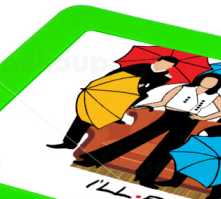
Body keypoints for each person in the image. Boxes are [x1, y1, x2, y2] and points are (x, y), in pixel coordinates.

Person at [74, 72, 221, 189]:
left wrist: (202, 117)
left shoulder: (214, 96)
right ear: (201, 78)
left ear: (216, 85)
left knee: (166, 150)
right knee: (137, 138)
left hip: (188, 121)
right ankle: (93, 160)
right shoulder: (182, 87)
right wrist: (146, 105)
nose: (208, 83)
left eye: (213, 82)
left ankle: (146, 178)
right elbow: (162, 102)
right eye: (207, 79)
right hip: (169, 115)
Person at [47, 55, 180, 150]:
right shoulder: (140, 67)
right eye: (164, 63)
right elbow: (115, 75)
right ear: (158, 60)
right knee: (84, 116)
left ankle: (115, 117)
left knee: (110, 112)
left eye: (169, 66)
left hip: (131, 97)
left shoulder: (165, 76)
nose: (165, 66)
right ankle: (69, 143)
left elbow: (149, 87)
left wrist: (143, 85)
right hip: (111, 92)